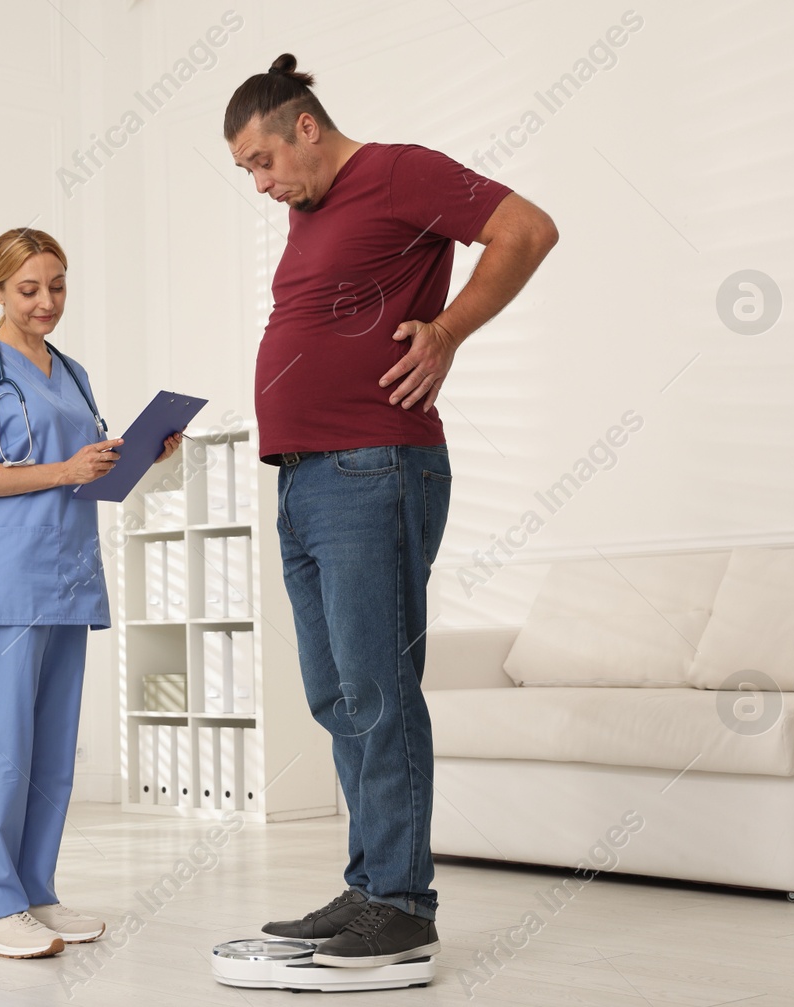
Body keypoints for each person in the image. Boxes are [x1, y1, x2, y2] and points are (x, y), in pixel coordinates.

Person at [222, 55, 558, 968]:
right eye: (245, 172)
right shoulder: (310, 211)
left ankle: (404, 902)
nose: (260, 184)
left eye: (261, 160)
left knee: (377, 685)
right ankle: (372, 885)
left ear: (304, 125)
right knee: (337, 693)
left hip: (376, 467)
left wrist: (446, 332)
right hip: (305, 479)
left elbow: (528, 228)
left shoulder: (400, 170)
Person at [0, 227, 182, 959]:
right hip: (11, 576)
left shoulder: (71, 371)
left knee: (52, 752)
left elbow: (93, 477)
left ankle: (34, 893)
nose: (47, 302)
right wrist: (64, 471)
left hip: (70, 575)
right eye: (29, 289)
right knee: (5, 748)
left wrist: (148, 457)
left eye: (58, 285)